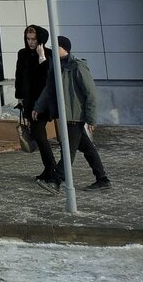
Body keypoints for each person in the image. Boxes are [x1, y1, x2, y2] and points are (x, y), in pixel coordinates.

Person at [33, 35, 111, 193]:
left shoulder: (77, 66)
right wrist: (38, 107)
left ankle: (56, 181)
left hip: (76, 115)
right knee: (88, 149)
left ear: (64, 48)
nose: (53, 49)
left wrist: (91, 118)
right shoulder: (55, 66)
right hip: (65, 115)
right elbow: (49, 89)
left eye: (56, 46)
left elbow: (91, 94)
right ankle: (102, 179)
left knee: (68, 151)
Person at [13, 24, 57, 182]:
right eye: (28, 39)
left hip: (43, 102)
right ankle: (49, 168)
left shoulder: (49, 54)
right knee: (38, 135)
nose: (31, 42)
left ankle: (52, 168)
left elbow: (47, 79)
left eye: (34, 39)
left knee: (38, 134)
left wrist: (41, 58)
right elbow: (19, 76)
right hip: (29, 101)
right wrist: (19, 96)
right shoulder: (22, 54)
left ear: (40, 39)